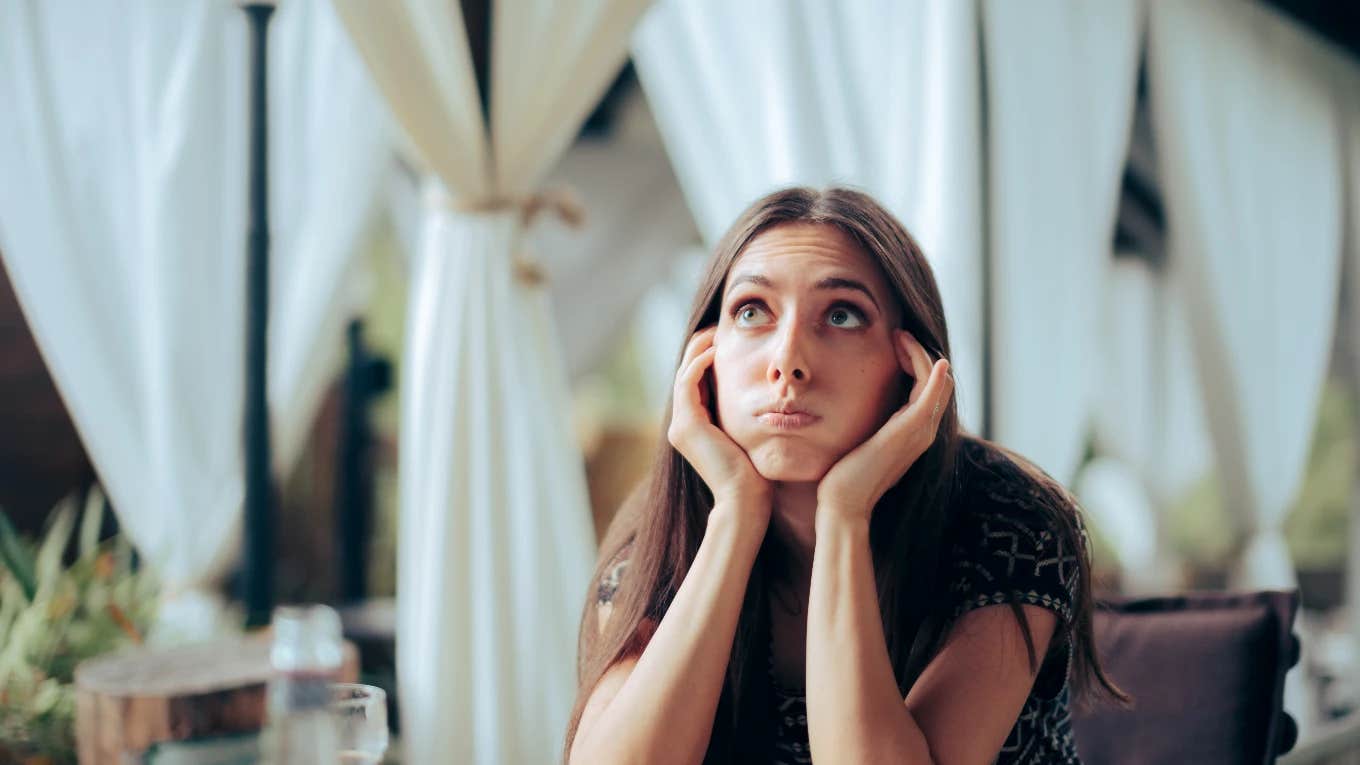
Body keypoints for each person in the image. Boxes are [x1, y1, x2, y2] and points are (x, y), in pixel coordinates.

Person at [564, 186, 1125, 764]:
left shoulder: (1009, 522)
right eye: (752, 311)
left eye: (841, 314)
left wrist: (844, 512)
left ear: (911, 367)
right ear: (704, 360)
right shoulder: (664, 543)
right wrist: (735, 515)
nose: (787, 360)